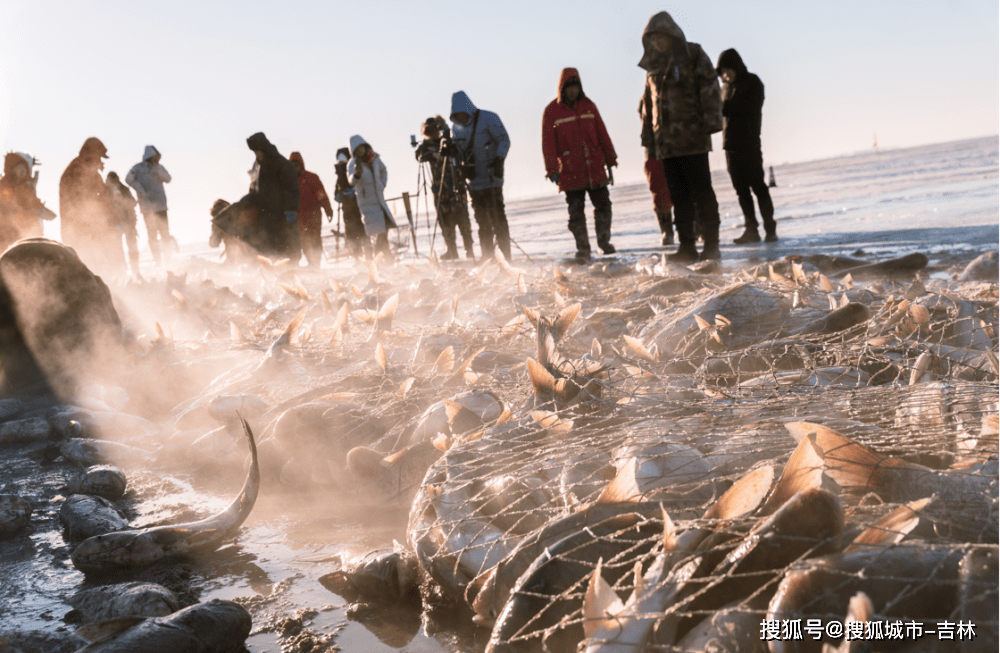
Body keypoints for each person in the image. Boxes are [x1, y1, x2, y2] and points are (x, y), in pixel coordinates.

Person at [638, 12, 723, 263]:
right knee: (678, 196)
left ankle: (711, 245)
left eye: (659, 38)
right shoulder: (652, 68)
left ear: (671, 35)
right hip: (666, 144)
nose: (655, 43)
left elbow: (710, 87)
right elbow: (648, 106)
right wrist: (649, 140)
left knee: (702, 192)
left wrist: (711, 123)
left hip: (692, 138)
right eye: (651, 40)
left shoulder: (693, 55)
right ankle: (687, 246)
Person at [542, 68, 618, 261]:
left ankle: (604, 242)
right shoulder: (552, 111)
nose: (573, 91)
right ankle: (583, 248)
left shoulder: (589, 106)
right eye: (569, 88)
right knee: (576, 213)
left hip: (595, 168)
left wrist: (610, 157)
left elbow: (602, 132)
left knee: (603, 205)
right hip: (570, 171)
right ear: (562, 88)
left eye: (576, 87)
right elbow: (548, 143)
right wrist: (552, 169)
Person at [717, 48, 777, 244]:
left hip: (749, 143)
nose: (726, 76)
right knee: (740, 190)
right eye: (722, 73)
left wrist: (725, 108)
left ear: (736, 66)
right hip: (730, 146)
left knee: (758, 186)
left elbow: (750, 108)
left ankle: (770, 228)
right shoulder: (724, 89)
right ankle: (751, 229)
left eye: (728, 70)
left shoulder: (753, 82)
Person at [449, 91, 511, 261]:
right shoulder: (456, 128)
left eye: (462, 113)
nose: (461, 117)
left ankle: (505, 255)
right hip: (474, 181)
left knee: (498, 217)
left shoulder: (489, 118)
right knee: (482, 221)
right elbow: (459, 151)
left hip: (492, 177)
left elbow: (503, 139)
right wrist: (452, 151)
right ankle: (488, 257)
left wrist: (499, 159)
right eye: (457, 115)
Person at [415, 116, 475, 261]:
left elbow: (459, 152)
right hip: (440, 189)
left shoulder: (449, 142)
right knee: (445, 220)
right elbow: (420, 156)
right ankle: (452, 250)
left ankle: (469, 249)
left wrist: (446, 133)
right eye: (428, 131)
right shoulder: (425, 146)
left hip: (456, 185)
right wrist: (433, 155)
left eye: (434, 129)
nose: (432, 133)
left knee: (462, 218)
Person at [59, 137, 120, 273]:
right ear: (91, 154)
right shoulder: (75, 171)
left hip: (92, 227)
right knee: (84, 263)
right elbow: (79, 202)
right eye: (99, 156)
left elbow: (103, 198)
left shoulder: (91, 173)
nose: (100, 161)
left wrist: (113, 218)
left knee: (97, 264)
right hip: (78, 228)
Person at [244, 133, 300, 260]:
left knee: (287, 252)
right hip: (265, 218)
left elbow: (291, 190)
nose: (256, 155)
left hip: (283, 217)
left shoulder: (283, 165)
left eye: (257, 152)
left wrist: (290, 211)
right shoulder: (258, 167)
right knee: (268, 253)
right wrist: (244, 202)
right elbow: (254, 191)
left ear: (263, 149)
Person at [348, 135, 396, 261]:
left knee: (383, 230)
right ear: (353, 151)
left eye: (361, 148)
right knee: (376, 232)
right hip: (367, 203)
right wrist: (357, 174)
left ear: (365, 146)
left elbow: (384, 170)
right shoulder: (352, 164)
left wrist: (381, 184)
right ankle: (380, 258)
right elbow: (351, 181)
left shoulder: (374, 159)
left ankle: (384, 258)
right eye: (356, 149)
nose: (359, 151)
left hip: (379, 200)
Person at [125, 146, 172, 265]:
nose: (156, 159)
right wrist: (139, 189)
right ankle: (158, 261)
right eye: (154, 157)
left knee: (165, 234)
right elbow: (128, 179)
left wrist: (158, 172)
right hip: (147, 207)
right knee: (152, 235)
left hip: (161, 206)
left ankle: (168, 260)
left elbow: (168, 179)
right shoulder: (138, 168)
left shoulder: (159, 168)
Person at [0, 152, 55, 252]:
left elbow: (36, 205)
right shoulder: (4, 186)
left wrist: (43, 211)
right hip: (7, 239)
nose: (23, 171)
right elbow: (9, 210)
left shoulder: (27, 188)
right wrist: (33, 212)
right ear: (11, 168)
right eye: (19, 168)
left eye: (25, 168)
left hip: (28, 237)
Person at [288, 152, 334, 266]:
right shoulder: (288, 181)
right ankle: (311, 263)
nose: (294, 168)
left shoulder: (312, 177)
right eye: (292, 165)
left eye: (297, 165)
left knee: (315, 239)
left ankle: (316, 263)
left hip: (313, 216)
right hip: (298, 218)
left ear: (301, 165)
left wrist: (328, 209)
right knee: (304, 242)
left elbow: (321, 195)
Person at [333, 147, 369, 259]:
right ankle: (358, 260)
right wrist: (339, 196)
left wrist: (354, 192)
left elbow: (363, 186)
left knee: (364, 236)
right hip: (348, 213)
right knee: (354, 238)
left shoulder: (354, 170)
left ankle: (369, 259)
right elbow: (336, 193)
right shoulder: (340, 177)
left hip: (359, 210)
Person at [104, 172, 141, 276]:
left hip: (128, 221)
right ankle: (122, 272)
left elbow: (132, 203)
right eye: (112, 180)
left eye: (116, 180)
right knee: (117, 249)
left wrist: (133, 223)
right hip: (114, 223)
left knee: (132, 247)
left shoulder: (124, 189)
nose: (114, 182)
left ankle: (135, 271)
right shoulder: (105, 191)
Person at [643, 156, 674, 246]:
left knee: (689, 189)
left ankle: (696, 229)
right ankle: (667, 232)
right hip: (656, 153)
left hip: (681, 150)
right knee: (660, 192)